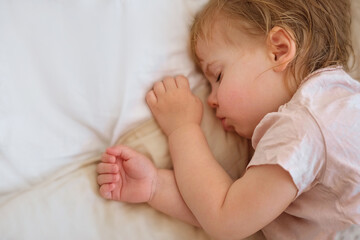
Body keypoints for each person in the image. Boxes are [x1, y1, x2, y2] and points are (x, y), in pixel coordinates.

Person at [96, 0, 360, 239]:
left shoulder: (302, 127)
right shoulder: (332, 103)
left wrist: (182, 128)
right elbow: (252, 220)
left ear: (279, 50)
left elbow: (225, 218)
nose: (211, 100)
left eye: (218, 76)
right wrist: (156, 186)